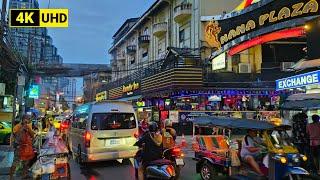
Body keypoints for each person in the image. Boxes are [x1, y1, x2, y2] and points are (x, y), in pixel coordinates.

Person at [10, 114, 35, 180]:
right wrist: (22, 128)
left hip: (26, 148)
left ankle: (24, 175)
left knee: (26, 163)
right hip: (19, 148)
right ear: (23, 119)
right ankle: (11, 177)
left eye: (29, 119)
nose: (29, 120)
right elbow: (17, 137)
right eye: (28, 119)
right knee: (15, 163)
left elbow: (32, 135)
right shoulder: (17, 127)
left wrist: (28, 129)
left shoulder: (28, 126)